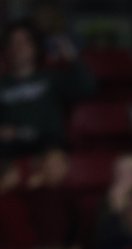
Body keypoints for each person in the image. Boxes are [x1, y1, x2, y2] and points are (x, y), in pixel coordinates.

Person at [0, 19, 93, 163]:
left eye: (24, 42)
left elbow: (88, 88)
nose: (18, 47)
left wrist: (72, 58)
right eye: (13, 42)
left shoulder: (52, 78)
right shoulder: (2, 85)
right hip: (9, 150)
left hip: (49, 146)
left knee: (54, 157)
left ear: (35, 46)